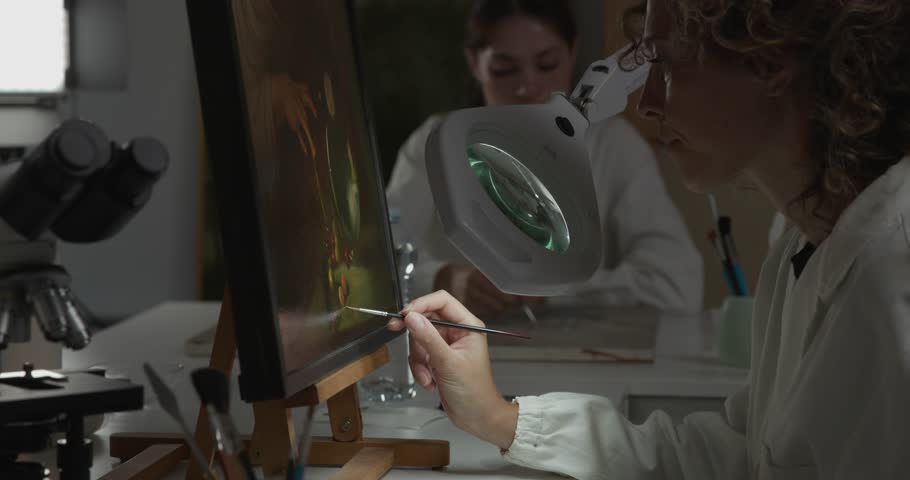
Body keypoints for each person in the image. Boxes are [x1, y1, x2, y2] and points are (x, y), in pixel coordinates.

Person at [388, 0, 910, 478]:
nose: (649, 102)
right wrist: (499, 417)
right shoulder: (801, 243)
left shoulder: (888, 276)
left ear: (768, 63)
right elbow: (736, 455)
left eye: (664, 63)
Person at [386, 0, 704, 318]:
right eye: (505, 69)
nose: (528, 86)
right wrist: (441, 279)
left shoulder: (613, 147)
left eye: (547, 64)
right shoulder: (439, 144)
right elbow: (376, 263)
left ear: (573, 51)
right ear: (473, 62)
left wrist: (554, 291)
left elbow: (675, 282)